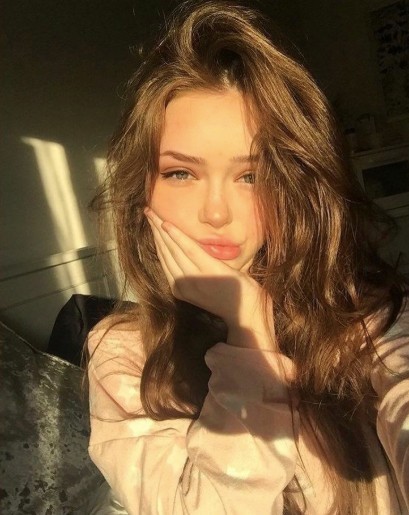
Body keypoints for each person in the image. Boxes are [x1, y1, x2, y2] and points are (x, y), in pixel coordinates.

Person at [86, 1, 409, 513]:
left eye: (252, 176)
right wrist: (248, 338)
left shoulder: (366, 316)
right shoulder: (122, 354)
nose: (216, 213)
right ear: (141, 189)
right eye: (180, 173)